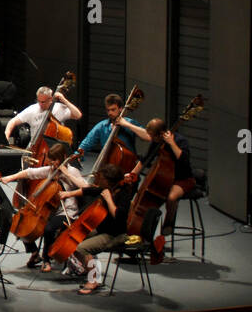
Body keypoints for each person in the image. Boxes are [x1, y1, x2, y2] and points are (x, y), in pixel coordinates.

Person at [0, 143, 88, 271]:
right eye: (51, 161)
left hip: (66, 212)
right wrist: (10, 178)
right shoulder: (50, 170)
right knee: (21, 222)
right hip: (48, 212)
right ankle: (34, 253)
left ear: (63, 157)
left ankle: (46, 259)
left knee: (48, 229)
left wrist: (67, 175)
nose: (53, 164)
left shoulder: (73, 171)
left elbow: (86, 188)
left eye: (55, 160)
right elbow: (30, 173)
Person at [124, 117, 193, 250]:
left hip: (183, 179)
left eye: (152, 136)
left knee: (172, 197)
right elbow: (146, 159)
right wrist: (133, 174)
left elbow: (183, 159)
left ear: (161, 134)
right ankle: (144, 238)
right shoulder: (157, 142)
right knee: (145, 203)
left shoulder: (180, 140)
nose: (150, 139)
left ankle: (169, 221)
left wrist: (171, 143)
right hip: (165, 180)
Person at [72, 164, 135, 295]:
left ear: (108, 181)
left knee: (82, 248)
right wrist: (69, 193)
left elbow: (118, 217)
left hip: (115, 234)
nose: (98, 181)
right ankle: (90, 270)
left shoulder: (123, 195)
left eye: (101, 179)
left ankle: (94, 280)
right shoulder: (108, 188)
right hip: (103, 229)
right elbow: (89, 190)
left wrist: (109, 199)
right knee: (75, 237)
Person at [4, 85, 83, 147]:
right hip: (34, 147)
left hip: (54, 150)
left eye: (43, 102)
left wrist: (64, 100)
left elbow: (78, 115)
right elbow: (12, 121)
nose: (40, 104)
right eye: (39, 101)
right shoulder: (32, 109)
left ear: (50, 99)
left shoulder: (59, 108)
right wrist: (6, 136)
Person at [77, 93, 142, 167]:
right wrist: (78, 155)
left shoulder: (130, 123)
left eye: (113, 110)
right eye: (108, 110)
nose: (110, 113)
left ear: (120, 109)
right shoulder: (102, 126)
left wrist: (127, 125)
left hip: (127, 168)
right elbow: (86, 143)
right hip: (107, 168)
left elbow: (147, 136)